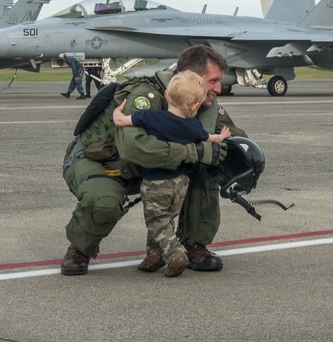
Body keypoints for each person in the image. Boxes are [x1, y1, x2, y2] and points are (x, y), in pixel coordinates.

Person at [60, 44, 247, 276]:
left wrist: (244, 156)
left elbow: (234, 135)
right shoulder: (144, 96)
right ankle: (80, 248)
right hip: (102, 162)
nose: (219, 88)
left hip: (150, 170)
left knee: (205, 168)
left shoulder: (200, 103)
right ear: (189, 76)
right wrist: (194, 153)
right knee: (105, 201)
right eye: (213, 81)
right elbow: (133, 148)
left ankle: (193, 243)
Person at [112, 70, 231, 277]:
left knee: (156, 221)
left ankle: (175, 253)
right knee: (167, 219)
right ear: (195, 106)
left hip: (156, 181)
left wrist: (117, 113)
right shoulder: (193, 126)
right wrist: (221, 136)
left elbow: (121, 122)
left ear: (166, 95)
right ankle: (153, 256)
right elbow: (208, 138)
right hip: (181, 183)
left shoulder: (152, 117)